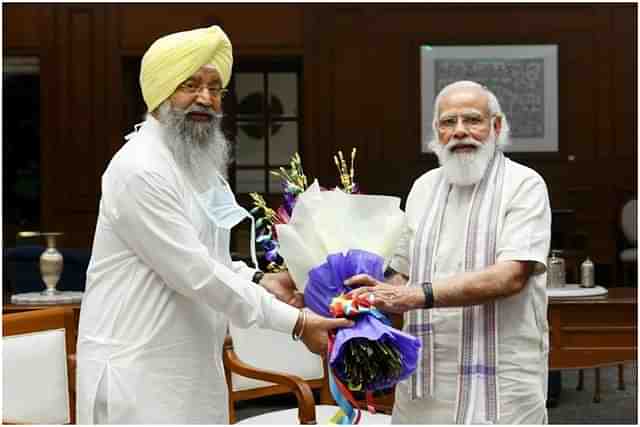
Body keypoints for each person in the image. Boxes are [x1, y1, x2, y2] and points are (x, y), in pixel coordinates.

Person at [75, 26, 351, 424]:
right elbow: (196, 274)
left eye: (215, 88)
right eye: (190, 85)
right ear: (160, 91)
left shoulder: (199, 169)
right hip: (137, 374)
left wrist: (260, 280)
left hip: (189, 370)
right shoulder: (140, 169)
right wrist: (298, 323)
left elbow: (212, 257)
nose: (205, 98)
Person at [346, 81, 551, 424]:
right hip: (427, 378)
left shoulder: (525, 185)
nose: (459, 132)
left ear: (496, 127)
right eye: (447, 122)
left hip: (503, 379)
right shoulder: (423, 188)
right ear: (435, 133)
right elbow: (403, 270)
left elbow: (511, 275)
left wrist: (416, 296)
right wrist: (376, 289)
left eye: (472, 120)